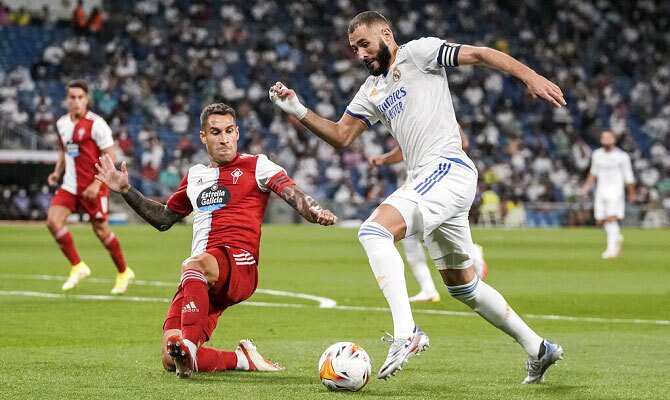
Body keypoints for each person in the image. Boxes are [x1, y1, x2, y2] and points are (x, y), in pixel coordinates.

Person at [269, 11, 564, 383]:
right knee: (463, 286)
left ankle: (406, 332)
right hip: (433, 180)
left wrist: (529, 75)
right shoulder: (372, 90)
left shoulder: (420, 53)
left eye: (364, 43)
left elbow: (481, 54)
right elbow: (342, 135)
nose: (360, 54)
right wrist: (297, 109)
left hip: (447, 168)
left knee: (372, 232)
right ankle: (539, 348)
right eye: (354, 48)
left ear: (386, 34)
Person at [95, 103, 338, 379]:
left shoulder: (257, 165)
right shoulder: (195, 176)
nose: (223, 138)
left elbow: (292, 193)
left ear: (237, 133)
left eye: (229, 131)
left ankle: (188, 344)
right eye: (215, 132)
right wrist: (127, 190)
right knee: (169, 357)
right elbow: (164, 219)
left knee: (193, 269)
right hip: (201, 277)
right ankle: (242, 359)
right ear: (203, 137)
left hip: (238, 264)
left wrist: (314, 211)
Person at [368, 128, 489, 303]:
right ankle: (430, 288)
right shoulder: (416, 113)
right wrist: (383, 159)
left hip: (437, 176)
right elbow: (404, 148)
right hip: (420, 178)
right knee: (418, 234)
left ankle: (469, 254)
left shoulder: (437, 110)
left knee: (419, 232)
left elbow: (463, 142)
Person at [46, 80, 134, 294]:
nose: (76, 101)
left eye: (80, 97)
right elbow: (64, 151)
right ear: (67, 99)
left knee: (101, 231)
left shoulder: (97, 124)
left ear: (87, 99)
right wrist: (57, 172)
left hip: (93, 186)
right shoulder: (62, 124)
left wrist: (97, 183)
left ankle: (124, 272)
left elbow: (110, 156)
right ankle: (78, 266)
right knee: (53, 222)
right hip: (70, 186)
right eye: (72, 97)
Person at [580, 131, 636, 259]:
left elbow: (629, 176)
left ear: (614, 140)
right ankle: (616, 237)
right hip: (601, 191)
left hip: (615, 191)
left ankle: (611, 250)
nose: (606, 139)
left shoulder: (622, 156)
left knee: (611, 218)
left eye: (608, 137)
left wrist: (632, 192)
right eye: (603, 137)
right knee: (600, 221)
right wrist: (586, 187)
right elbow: (593, 173)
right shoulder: (597, 154)